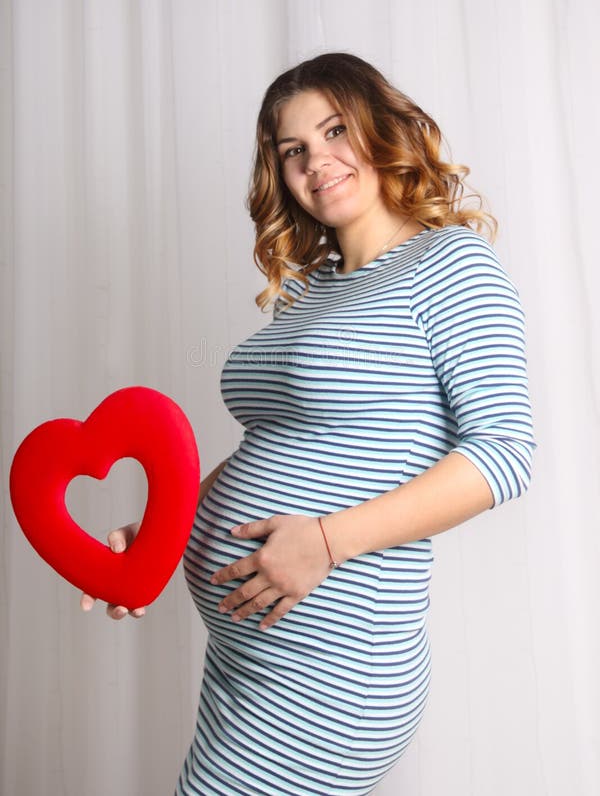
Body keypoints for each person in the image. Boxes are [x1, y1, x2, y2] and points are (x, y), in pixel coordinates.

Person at [81, 52, 537, 795]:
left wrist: (327, 542)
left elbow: (504, 454)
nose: (316, 161)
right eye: (293, 150)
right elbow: (276, 445)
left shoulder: (450, 265)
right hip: (247, 659)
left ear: (382, 130)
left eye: (334, 131)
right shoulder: (316, 291)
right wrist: (161, 538)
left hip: (331, 672)